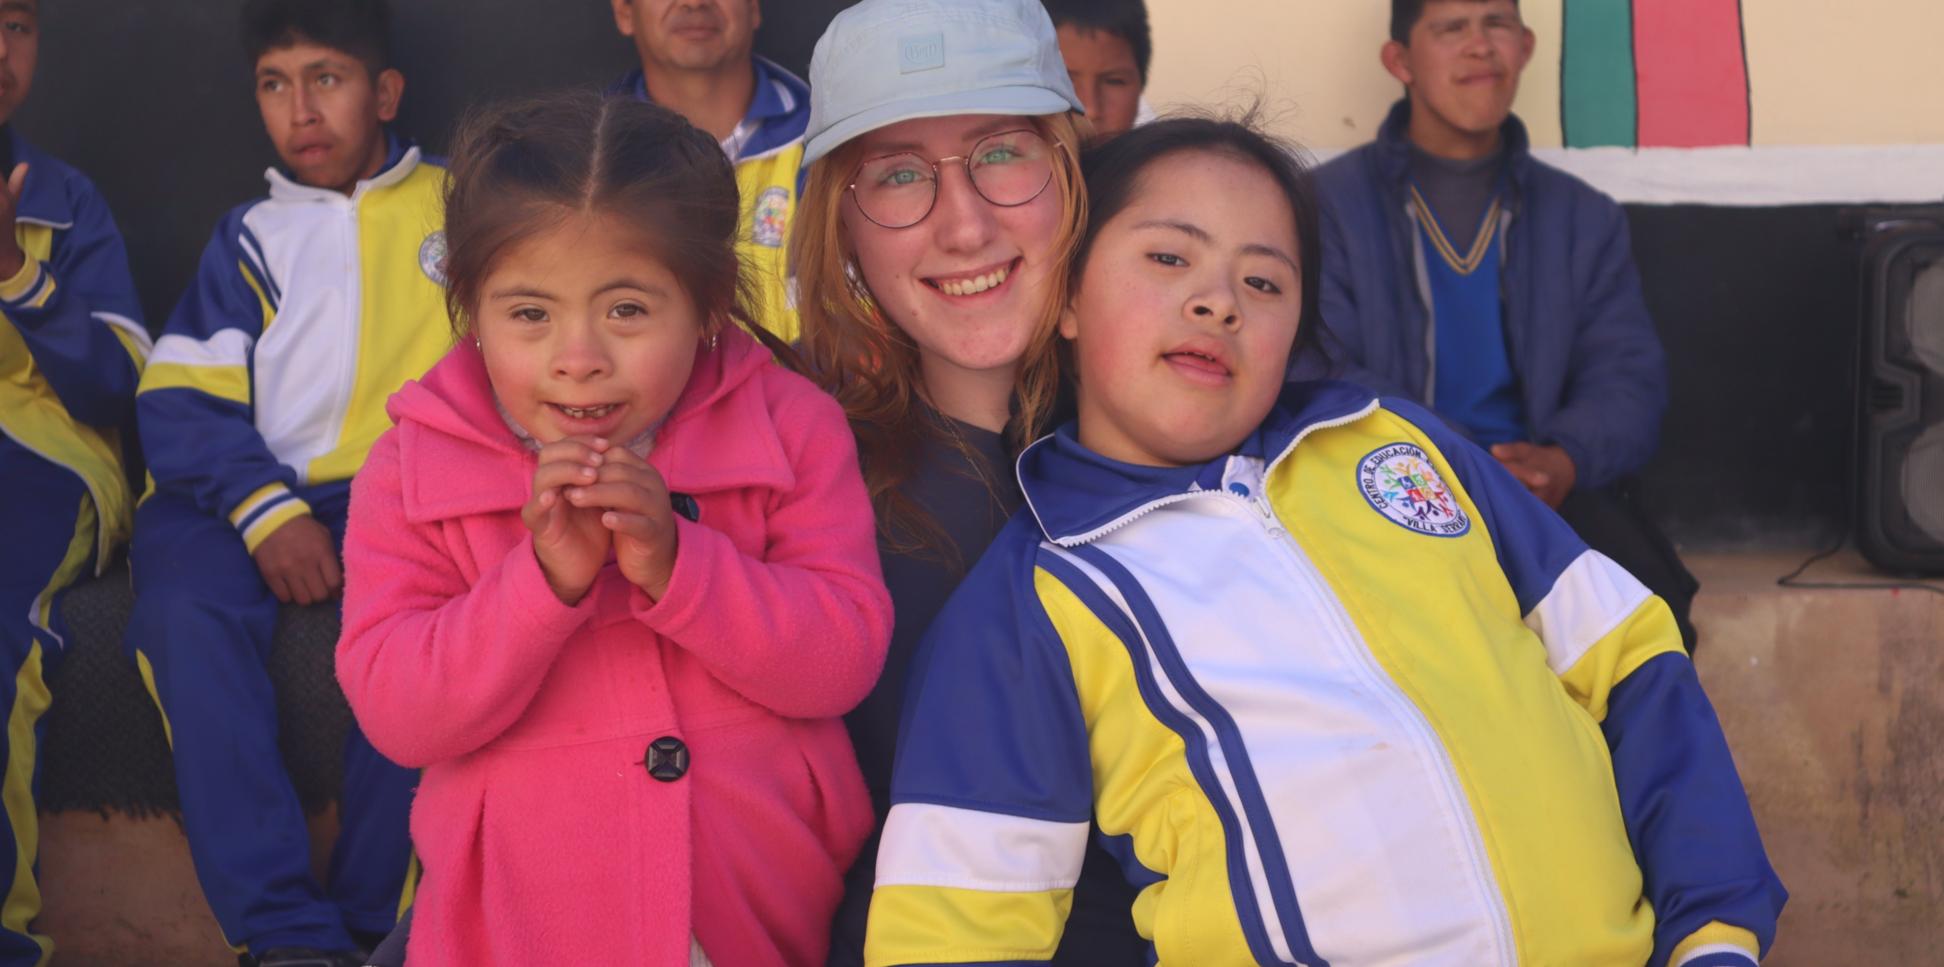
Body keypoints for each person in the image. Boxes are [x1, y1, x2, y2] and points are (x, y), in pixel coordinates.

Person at [864, 114, 1786, 966]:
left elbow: (1634, 665)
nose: (1219, 301)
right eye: (1168, 257)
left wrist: (1715, 932)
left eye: (1264, 281)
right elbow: (951, 933)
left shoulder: (1400, 444)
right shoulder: (1034, 600)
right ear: (1067, 299)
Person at [335, 89, 891, 967]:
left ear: (709, 305)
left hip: (754, 907)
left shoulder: (792, 428)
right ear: (469, 308)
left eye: (627, 309)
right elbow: (400, 712)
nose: (578, 357)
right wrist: (541, 584)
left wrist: (681, 566)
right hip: (514, 927)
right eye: (529, 314)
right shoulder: (411, 468)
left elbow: (844, 654)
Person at [792, 0, 1145, 963]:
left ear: (1070, 168)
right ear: (841, 226)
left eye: (1001, 153)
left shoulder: (1196, 433)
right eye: (899, 174)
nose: (964, 225)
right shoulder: (796, 490)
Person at [122, 1, 442, 963]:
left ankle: (374, 925)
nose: (300, 110)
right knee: (181, 613)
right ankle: (285, 934)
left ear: (385, 92)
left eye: (326, 79)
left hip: (406, 492)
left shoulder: (465, 210)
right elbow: (179, 398)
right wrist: (265, 513)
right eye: (275, 85)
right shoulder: (248, 238)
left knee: (436, 640)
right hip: (234, 492)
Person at [1307, 0, 1700, 650]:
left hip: (1544, 492)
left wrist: (1565, 459)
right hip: (1392, 487)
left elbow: (1628, 378)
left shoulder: (1583, 217)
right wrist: (1460, 467)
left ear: (1526, 46)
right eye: (1451, 28)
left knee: (1648, 629)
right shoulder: (1327, 207)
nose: (1479, 45)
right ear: (1399, 61)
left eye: (1497, 24)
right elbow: (1322, 369)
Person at [0, 0, 149, 961]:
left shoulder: (61, 198)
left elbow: (117, 385)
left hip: (48, 459)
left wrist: (14, 268)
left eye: (17, 24)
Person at [609, 0, 810, 339]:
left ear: (753, 7)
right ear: (625, 12)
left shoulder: (836, 139)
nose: (694, 3)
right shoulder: (585, 162)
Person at [1044, 0, 1151, 140]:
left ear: (1140, 86)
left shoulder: (1163, 150)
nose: (1090, 111)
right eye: (1064, 80)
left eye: (1113, 81)